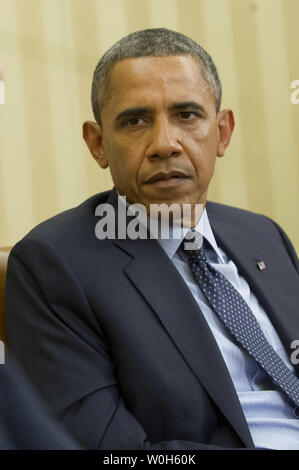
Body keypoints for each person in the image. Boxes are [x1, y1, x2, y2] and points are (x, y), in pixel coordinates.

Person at [5, 28, 299, 450]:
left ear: (223, 132)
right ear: (98, 143)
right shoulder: (55, 265)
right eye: (135, 121)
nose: (165, 144)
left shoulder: (263, 235)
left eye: (187, 115)